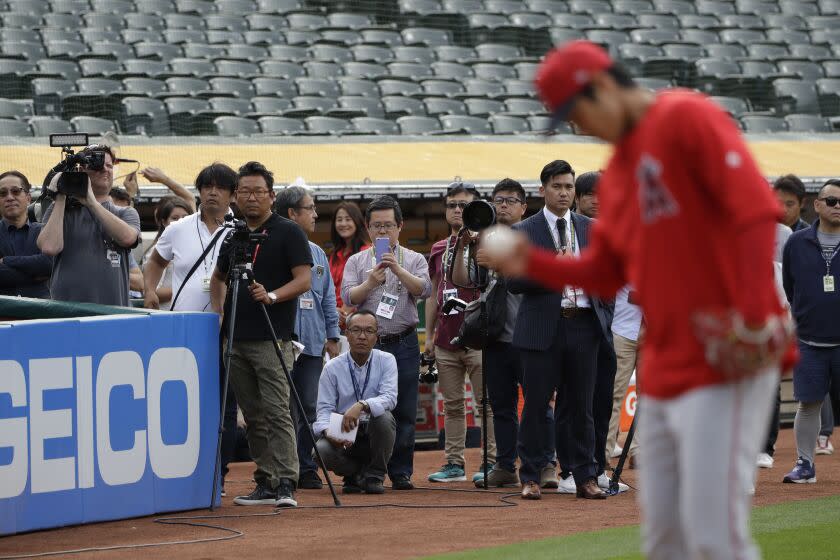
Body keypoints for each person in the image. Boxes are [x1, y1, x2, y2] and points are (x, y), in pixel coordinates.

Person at [480, 41, 792, 559]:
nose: (578, 127)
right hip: (669, 354)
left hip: (728, 345)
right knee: (664, 532)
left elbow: (754, 216)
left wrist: (746, 316)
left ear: (601, 88)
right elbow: (607, 268)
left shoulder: (686, 116)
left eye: (575, 113)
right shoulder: (622, 170)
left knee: (714, 530)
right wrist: (528, 261)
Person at [507, 159, 614, 501]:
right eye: (557, 186)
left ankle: (585, 475)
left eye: (569, 186)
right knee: (537, 406)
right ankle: (531, 476)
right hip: (541, 329)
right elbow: (513, 281)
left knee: (582, 408)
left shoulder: (592, 229)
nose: (564, 192)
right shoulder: (523, 230)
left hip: (585, 326)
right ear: (542, 190)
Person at [210, 161, 313, 508]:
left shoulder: (288, 232)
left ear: (271, 195)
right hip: (235, 338)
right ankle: (266, 480)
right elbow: (217, 279)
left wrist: (271, 295)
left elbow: (303, 280)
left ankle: (287, 481)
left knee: (277, 411)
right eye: (244, 191)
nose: (250, 197)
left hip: (273, 338)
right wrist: (219, 314)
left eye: (258, 191)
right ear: (236, 197)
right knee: (252, 415)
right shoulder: (233, 234)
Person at [145, 164, 237, 492]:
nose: (212, 192)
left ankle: (219, 474)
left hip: (228, 329)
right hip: (185, 329)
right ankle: (182, 471)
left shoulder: (240, 230)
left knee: (224, 404)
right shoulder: (179, 228)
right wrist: (150, 292)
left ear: (232, 194)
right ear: (198, 191)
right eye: (206, 186)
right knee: (183, 400)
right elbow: (155, 261)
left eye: (220, 187)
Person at [342, 195, 432, 490]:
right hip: (367, 346)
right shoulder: (357, 261)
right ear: (367, 229)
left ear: (400, 227)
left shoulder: (414, 259)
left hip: (403, 343)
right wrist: (371, 281)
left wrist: (397, 269)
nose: (383, 232)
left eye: (388, 226)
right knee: (366, 408)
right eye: (377, 226)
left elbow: (424, 289)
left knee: (404, 408)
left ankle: (401, 471)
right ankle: (365, 470)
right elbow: (348, 298)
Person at [425, 182, 496, 483]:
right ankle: (454, 463)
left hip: (479, 335)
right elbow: (432, 295)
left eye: (463, 205)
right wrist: (428, 336)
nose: (457, 210)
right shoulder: (439, 248)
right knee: (452, 405)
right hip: (446, 336)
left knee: (486, 405)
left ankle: (492, 463)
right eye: (451, 204)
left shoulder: (490, 246)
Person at [274, 185, 341, 490]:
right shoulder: (273, 247)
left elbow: (328, 297)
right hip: (280, 342)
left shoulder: (316, 253)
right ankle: (281, 469)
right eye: (310, 208)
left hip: (313, 343)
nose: (316, 214)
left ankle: (305, 466)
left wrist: (332, 334)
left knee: (309, 407)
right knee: (280, 407)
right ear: (292, 213)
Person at [781, 179, 840, 484]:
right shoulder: (796, 242)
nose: (837, 206)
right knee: (809, 403)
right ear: (817, 205)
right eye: (831, 201)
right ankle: (805, 464)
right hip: (809, 340)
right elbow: (790, 287)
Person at [475, 178, 532, 488]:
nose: (504, 205)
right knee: (502, 407)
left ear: (524, 206)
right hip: (495, 336)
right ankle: (506, 465)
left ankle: (542, 463)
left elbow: (536, 274)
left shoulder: (534, 234)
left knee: (537, 404)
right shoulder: (485, 238)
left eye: (511, 200)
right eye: (499, 200)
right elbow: (469, 282)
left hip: (529, 335)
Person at [38, 144, 141, 307]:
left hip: (113, 314)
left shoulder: (125, 213)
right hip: (67, 313)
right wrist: (60, 197)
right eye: (98, 164)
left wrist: (91, 202)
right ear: (81, 171)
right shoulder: (62, 210)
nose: (105, 169)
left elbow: (128, 238)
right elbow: (49, 247)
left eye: (109, 165)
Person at [313, 310, 398, 495]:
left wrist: (361, 405)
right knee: (320, 451)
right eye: (356, 330)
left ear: (377, 336)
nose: (362, 336)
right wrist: (328, 432)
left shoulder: (387, 360)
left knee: (384, 418)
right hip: (345, 429)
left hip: (373, 428)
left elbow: (390, 398)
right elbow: (324, 410)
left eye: (369, 331)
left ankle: (375, 475)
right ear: (346, 334)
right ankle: (354, 474)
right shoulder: (332, 368)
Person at [0, 171, 51, 298]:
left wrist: (6, 261)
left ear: (28, 198)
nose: (10, 197)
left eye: (16, 191)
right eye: (3, 193)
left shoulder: (44, 231)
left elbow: (49, 265)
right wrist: (34, 273)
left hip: (41, 313)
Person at [141, 197, 192, 310]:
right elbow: (152, 291)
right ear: (164, 222)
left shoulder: (195, 246)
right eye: (174, 218)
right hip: (167, 314)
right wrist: (191, 288)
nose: (180, 221)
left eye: (185, 217)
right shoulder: (157, 251)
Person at [329, 201, 370, 327]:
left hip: (356, 323)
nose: (343, 224)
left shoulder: (367, 251)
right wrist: (333, 311)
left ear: (357, 222)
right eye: (339, 220)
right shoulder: (334, 254)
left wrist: (344, 312)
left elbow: (367, 286)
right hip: (334, 319)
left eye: (348, 219)